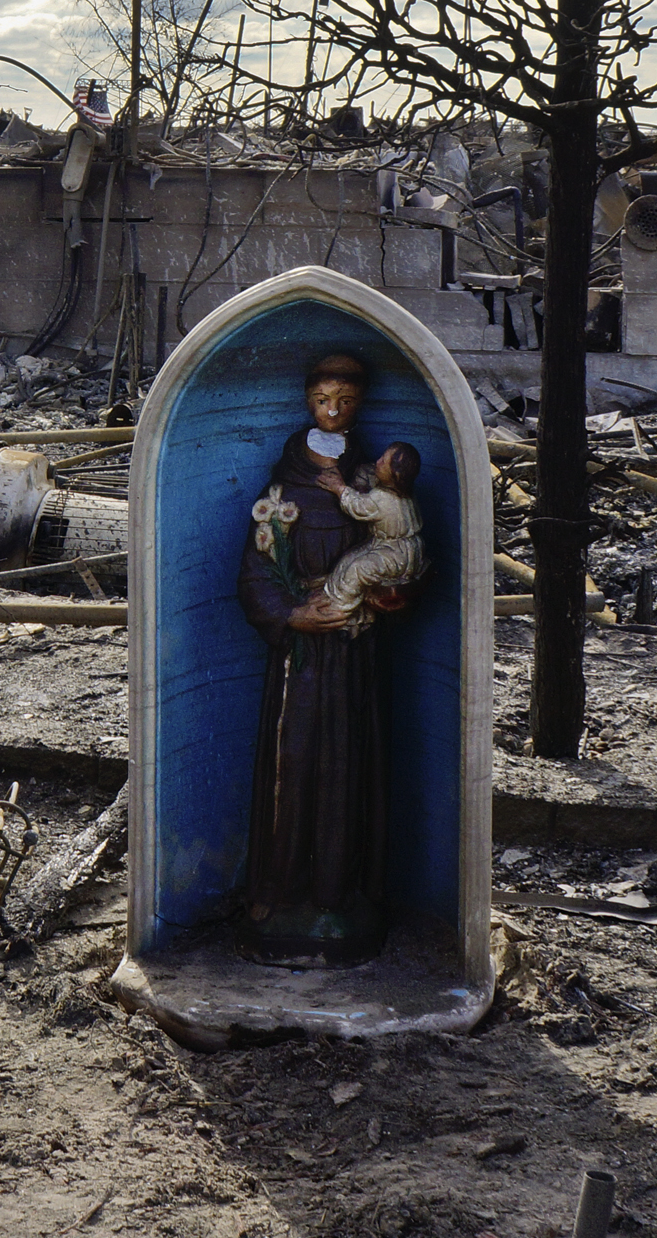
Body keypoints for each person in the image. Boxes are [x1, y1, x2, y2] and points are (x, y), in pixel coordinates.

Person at [234, 352, 399, 966]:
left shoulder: (374, 487)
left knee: (349, 764)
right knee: (293, 759)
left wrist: (383, 598)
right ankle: (277, 891)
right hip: (301, 659)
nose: (334, 410)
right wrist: (294, 615)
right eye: (326, 397)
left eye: (347, 400)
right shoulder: (280, 494)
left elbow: (400, 551)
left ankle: (341, 893)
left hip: (354, 656)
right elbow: (254, 573)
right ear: (309, 402)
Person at [317, 443, 425, 632]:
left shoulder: (381, 499)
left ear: (395, 474)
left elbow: (358, 506)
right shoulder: (405, 494)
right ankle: (331, 592)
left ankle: (340, 607)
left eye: (383, 461)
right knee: (351, 558)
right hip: (406, 549)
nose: (378, 461)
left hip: (395, 555)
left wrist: (340, 489)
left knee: (358, 568)